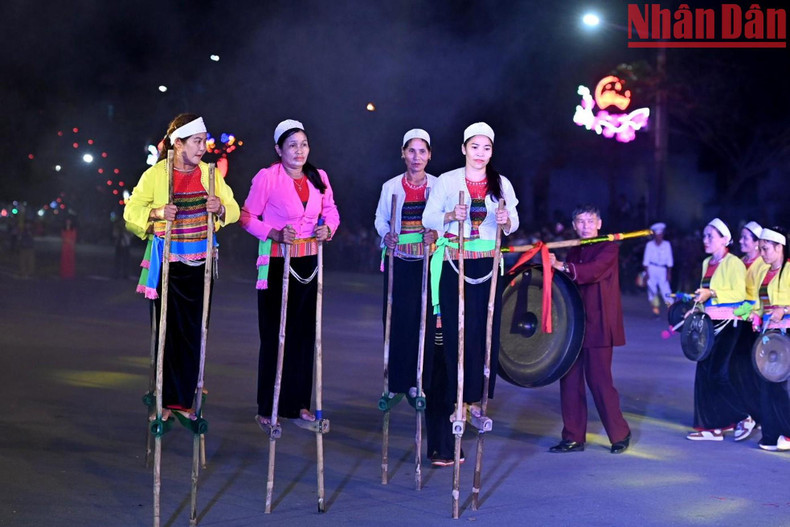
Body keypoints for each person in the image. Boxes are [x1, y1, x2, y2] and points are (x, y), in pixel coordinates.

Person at [124, 113, 240, 421]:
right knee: (167, 332)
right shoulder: (156, 174)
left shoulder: (210, 174)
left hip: (201, 265)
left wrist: (221, 208)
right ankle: (164, 400)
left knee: (195, 331)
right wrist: (157, 212)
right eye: (197, 142)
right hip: (167, 264)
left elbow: (234, 209)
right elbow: (131, 211)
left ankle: (186, 400)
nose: (203, 148)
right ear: (178, 143)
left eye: (204, 141)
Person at [422, 122, 519, 465]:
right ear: (464, 148)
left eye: (486, 148)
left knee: (483, 331)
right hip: (454, 262)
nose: (480, 154)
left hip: (487, 265)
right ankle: (455, 399)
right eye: (474, 147)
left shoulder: (501, 183)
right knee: (455, 332)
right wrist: (451, 215)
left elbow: (513, 223)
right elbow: (429, 218)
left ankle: (475, 398)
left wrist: (505, 220)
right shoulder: (447, 181)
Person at [240, 119, 340, 426]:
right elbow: (246, 217)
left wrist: (328, 229)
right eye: (292, 145)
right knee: (275, 335)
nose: (299, 151)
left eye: (304, 144)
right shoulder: (267, 178)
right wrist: (273, 233)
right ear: (278, 149)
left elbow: (331, 211)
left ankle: (298, 405)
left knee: (304, 335)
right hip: (276, 262)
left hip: (309, 263)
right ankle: (267, 407)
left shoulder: (319, 176)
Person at [548, 205, 632, 454]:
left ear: (599, 224)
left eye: (590, 221)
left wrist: (562, 266)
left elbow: (593, 272)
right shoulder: (575, 249)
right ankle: (573, 437)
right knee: (569, 380)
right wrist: (552, 266)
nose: (585, 226)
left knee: (599, 381)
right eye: (580, 222)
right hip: (574, 324)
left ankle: (620, 434)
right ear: (574, 226)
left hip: (599, 323)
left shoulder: (608, 248)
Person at [374, 129, 437, 392]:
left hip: (428, 261)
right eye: (411, 151)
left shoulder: (438, 186)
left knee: (425, 320)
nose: (416, 157)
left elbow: (445, 220)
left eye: (422, 151)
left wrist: (436, 234)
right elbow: (380, 218)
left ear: (429, 155)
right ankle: (397, 381)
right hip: (399, 260)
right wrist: (386, 234)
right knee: (398, 319)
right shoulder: (390, 186)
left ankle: (419, 381)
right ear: (403, 153)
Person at [684, 218, 749, 441]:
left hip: (729, 324)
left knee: (717, 373)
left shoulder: (734, 263)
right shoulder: (707, 263)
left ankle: (743, 415)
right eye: (704, 236)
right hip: (709, 324)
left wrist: (712, 293)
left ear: (724, 239)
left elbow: (740, 294)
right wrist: (695, 309)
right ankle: (712, 427)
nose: (705, 240)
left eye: (710, 236)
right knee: (703, 374)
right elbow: (704, 295)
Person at [746, 226, 790, 451]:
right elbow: (758, 302)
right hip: (769, 335)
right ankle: (771, 434)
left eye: (766, 249)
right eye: (760, 249)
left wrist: (785, 309)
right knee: (766, 384)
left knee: (784, 386)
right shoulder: (763, 272)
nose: (761, 253)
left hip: (786, 335)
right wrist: (755, 314)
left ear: (779, 247)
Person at [642, 222, 673, 316]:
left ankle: (671, 311)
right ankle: (655, 312)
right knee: (652, 291)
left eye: (661, 234)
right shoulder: (649, 245)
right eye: (657, 235)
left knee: (666, 290)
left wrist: (669, 273)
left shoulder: (667, 244)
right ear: (655, 235)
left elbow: (670, 260)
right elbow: (646, 260)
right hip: (651, 268)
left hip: (662, 269)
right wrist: (646, 273)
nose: (659, 236)